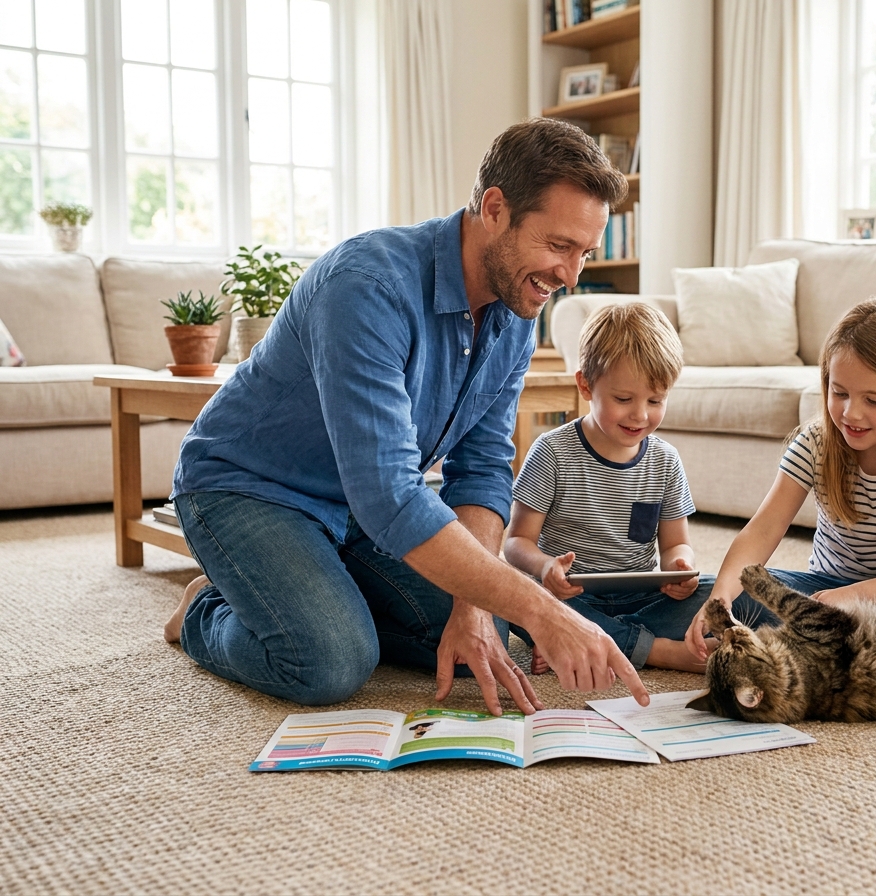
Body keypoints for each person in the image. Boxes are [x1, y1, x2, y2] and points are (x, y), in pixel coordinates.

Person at [162, 117, 651, 714]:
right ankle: (208, 608)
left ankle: (305, 589)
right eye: (557, 246)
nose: (570, 276)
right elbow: (391, 494)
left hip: (360, 510)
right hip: (248, 489)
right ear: (494, 208)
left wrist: (472, 608)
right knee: (330, 661)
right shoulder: (367, 285)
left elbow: (485, 469)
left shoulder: (516, 312)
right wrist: (542, 609)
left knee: (485, 637)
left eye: (584, 253)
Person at [686, 296, 876, 660]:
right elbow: (762, 531)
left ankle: (813, 652)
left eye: (874, 401)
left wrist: (856, 597)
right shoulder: (816, 442)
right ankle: (853, 651)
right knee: (710, 593)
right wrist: (720, 598)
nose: (850, 413)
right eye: (838, 392)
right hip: (821, 594)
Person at [505, 302, 754, 674]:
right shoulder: (552, 452)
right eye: (624, 399)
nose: (640, 415)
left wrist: (679, 567)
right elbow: (515, 543)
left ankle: (581, 642)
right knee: (515, 595)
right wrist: (544, 568)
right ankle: (658, 652)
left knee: (738, 593)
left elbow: (675, 544)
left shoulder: (665, 460)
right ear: (585, 385)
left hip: (644, 599)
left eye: (656, 401)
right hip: (565, 596)